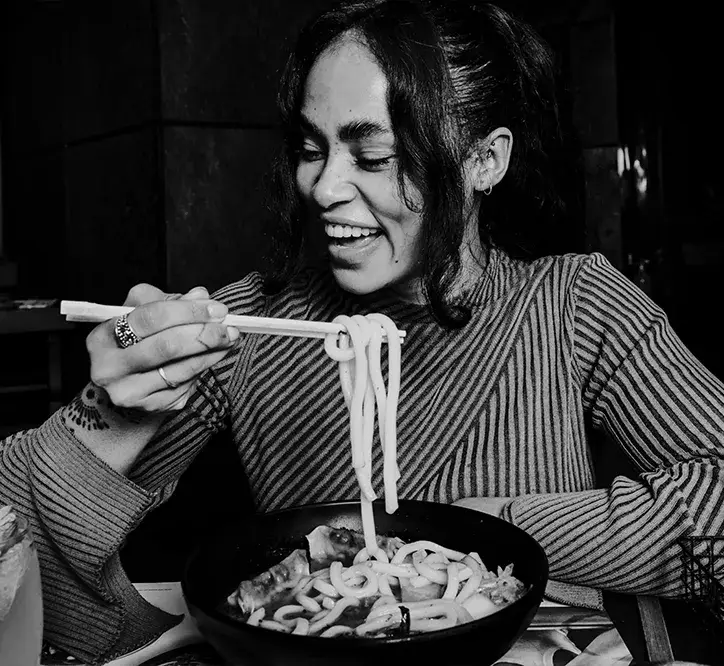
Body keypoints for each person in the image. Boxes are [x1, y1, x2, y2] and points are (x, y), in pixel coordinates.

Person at [1, 0, 723, 662]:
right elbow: (21, 563)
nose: (321, 187)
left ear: (483, 160)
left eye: (372, 156)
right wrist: (105, 420)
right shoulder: (253, 324)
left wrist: (481, 530)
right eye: (312, 149)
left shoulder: (575, 304)